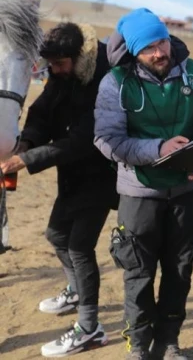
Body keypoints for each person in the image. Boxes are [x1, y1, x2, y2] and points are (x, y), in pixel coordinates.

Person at [94, 8, 193, 360]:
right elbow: (107, 140)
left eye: (162, 42)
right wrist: (157, 148)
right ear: (133, 51)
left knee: (180, 272)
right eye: (148, 48)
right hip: (139, 194)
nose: (159, 52)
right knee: (138, 274)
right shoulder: (115, 83)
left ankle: (169, 341)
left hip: (185, 193)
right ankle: (138, 347)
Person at [0, 22, 118, 357]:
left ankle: (90, 328)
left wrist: (25, 160)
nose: (54, 70)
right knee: (55, 234)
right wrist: (26, 141)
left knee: (79, 246)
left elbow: (83, 140)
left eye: (59, 64)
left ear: (79, 57)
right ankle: (77, 291)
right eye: (50, 65)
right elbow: (42, 112)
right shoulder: (62, 72)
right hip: (72, 174)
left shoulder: (105, 80)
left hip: (103, 173)